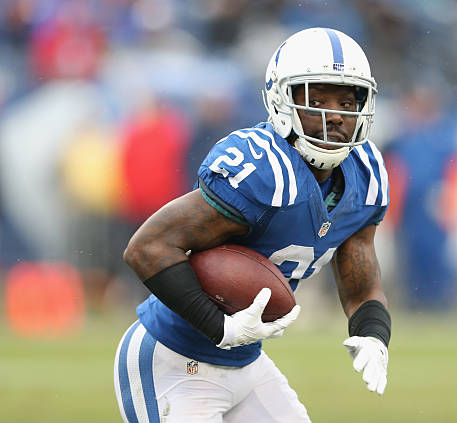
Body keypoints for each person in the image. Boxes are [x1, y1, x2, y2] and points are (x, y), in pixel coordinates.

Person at [113, 27, 391, 423]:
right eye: (316, 101)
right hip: (173, 363)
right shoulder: (262, 171)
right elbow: (147, 247)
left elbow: (362, 281)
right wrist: (219, 327)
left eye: (347, 102)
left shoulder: (365, 174)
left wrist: (373, 334)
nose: (335, 117)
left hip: (247, 367)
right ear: (281, 100)